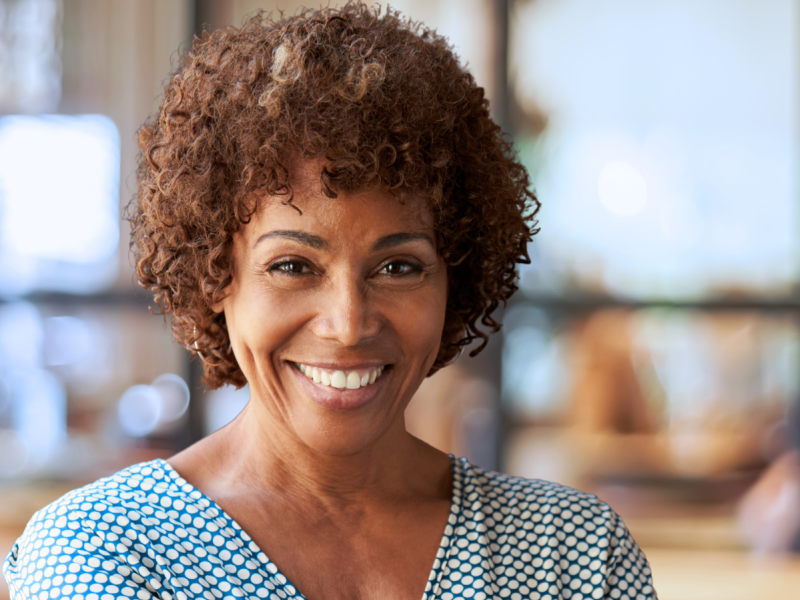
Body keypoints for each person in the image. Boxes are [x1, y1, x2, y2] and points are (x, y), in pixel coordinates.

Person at [3, 3, 656, 599]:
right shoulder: (105, 554)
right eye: (292, 266)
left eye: (399, 267)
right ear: (215, 276)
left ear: (455, 276)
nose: (348, 324)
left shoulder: (575, 557)